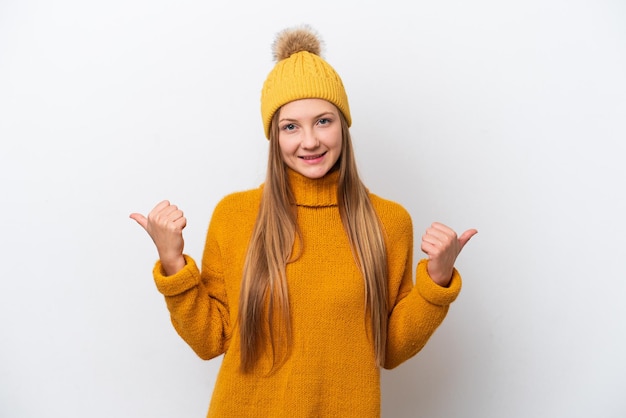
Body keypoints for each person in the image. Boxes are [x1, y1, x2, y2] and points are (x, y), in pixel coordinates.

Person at [130, 25, 477, 418]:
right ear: (274, 137)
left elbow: (390, 348)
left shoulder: (388, 222)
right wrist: (173, 263)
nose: (309, 141)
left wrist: (438, 279)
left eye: (323, 121)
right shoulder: (235, 216)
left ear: (343, 125)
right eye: (290, 126)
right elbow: (211, 339)